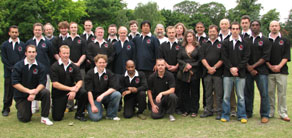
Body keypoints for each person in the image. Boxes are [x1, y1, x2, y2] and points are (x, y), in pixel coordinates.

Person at [11, 45, 53, 125]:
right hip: (22, 94)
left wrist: (34, 92)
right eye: (29, 52)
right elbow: (15, 83)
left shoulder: (41, 67)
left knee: (46, 92)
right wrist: (29, 91)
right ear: (25, 53)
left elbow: (42, 83)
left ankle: (44, 117)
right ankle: (21, 108)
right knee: (25, 118)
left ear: (36, 53)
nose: (31, 54)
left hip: (35, 92)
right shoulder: (18, 66)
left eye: (33, 52)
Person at [221, 22, 250, 123]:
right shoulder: (225, 42)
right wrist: (231, 68)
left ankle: (242, 115)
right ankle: (225, 115)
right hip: (227, 74)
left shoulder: (245, 42)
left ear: (239, 30)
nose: (235, 31)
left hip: (240, 74)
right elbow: (224, 57)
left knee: (241, 96)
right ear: (230, 29)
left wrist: (237, 68)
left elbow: (246, 58)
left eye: (237, 29)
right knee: (226, 96)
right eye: (233, 29)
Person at [50, 45, 88, 121]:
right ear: (60, 54)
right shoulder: (54, 66)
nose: (66, 55)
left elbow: (80, 81)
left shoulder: (74, 66)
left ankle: (79, 114)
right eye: (64, 53)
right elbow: (55, 84)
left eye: (67, 53)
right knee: (57, 118)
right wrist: (71, 89)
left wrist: (74, 90)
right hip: (59, 92)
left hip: (72, 89)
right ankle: (56, 107)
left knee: (83, 93)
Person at [245, 20, 271, 123]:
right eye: (253, 25)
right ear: (250, 27)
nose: (254, 27)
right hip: (248, 71)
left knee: (264, 93)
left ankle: (264, 114)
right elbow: (243, 56)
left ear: (260, 27)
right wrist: (249, 67)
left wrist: (253, 67)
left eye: (256, 25)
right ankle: (248, 112)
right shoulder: (246, 40)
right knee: (248, 93)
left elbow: (265, 56)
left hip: (262, 71)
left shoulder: (265, 40)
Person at [25, 23, 54, 113]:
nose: (37, 31)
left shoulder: (47, 42)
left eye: (39, 30)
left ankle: (46, 107)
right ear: (33, 31)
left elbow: (51, 56)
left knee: (46, 89)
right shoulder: (29, 42)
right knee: (33, 88)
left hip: (45, 70)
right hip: (32, 70)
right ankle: (34, 107)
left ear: (42, 31)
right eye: (36, 30)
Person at [85, 54, 121, 121]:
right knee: (95, 118)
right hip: (94, 98)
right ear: (96, 63)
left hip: (105, 96)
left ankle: (111, 115)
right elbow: (89, 91)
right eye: (100, 62)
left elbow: (113, 87)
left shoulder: (109, 73)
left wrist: (102, 95)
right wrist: (93, 106)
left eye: (104, 62)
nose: (102, 64)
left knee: (117, 94)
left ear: (106, 63)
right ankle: (94, 107)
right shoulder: (90, 73)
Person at [267, 20, 291, 122]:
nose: (274, 28)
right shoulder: (266, 40)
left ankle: (283, 112)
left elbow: (286, 55)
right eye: (272, 26)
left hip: (282, 71)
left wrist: (279, 66)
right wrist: (270, 66)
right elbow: (264, 56)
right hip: (269, 71)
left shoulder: (285, 40)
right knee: (270, 93)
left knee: (282, 93)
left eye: (276, 26)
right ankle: (270, 112)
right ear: (269, 28)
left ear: (279, 27)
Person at [199, 25, 223, 120]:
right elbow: (202, 57)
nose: (212, 33)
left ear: (217, 32)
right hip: (207, 73)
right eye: (210, 31)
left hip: (218, 73)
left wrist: (214, 68)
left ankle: (218, 111)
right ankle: (208, 110)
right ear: (208, 32)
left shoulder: (221, 44)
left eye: (214, 31)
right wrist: (209, 68)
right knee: (208, 93)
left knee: (218, 93)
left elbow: (222, 58)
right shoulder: (204, 44)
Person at [1, 25, 25, 116]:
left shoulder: (22, 44)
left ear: (18, 33)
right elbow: (4, 59)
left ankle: (20, 108)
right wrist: (11, 68)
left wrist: (18, 69)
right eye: (13, 32)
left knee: (20, 91)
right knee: (8, 91)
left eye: (16, 32)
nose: (14, 34)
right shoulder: (4, 45)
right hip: (8, 72)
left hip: (20, 72)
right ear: (9, 33)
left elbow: (24, 57)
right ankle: (6, 109)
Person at [177, 30, 201, 117]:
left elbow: (200, 60)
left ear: (194, 37)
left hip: (195, 72)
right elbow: (179, 59)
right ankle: (186, 109)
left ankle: (194, 110)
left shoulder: (198, 47)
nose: (189, 38)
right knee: (185, 92)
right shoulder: (182, 47)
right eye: (187, 36)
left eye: (191, 36)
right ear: (185, 38)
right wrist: (185, 65)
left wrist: (191, 65)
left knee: (195, 92)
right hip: (185, 72)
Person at [159, 26, 181, 113]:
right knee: (166, 89)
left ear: (175, 33)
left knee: (178, 89)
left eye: (173, 32)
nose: (171, 34)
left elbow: (182, 57)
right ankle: (165, 107)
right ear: (167, 33)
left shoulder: (180, 45)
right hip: (166, 71)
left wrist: (176, 66)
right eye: (169, 33)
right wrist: (167, 66)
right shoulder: (163, 45)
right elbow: (161, 58)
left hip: (177, 71)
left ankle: (177, 108)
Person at [219, 18, 236, 116]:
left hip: (229, 67)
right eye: (222, 24)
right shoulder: (217, 36)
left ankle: (233, 109)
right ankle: (218, 108)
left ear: (229, 25)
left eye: (225, 24)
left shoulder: (233, 36)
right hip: (219, 67)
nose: (224, 25)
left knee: (231, 90)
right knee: (218, 90)